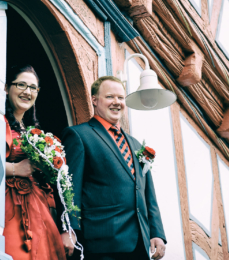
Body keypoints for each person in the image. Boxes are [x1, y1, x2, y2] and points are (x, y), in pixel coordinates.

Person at [61, 76, 166, 260]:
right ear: (94, 100)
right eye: (110, 97)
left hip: (139, 244)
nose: (117, 102)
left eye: (121, 98)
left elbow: (148, 194)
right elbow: (70, 188)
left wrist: (157, 232)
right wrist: (69, 229)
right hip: (102, 242)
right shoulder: (79, 135)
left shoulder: (136, 146)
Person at [3, 65, 66, 260]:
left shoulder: (32, 131)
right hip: (10, 204)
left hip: (38, 205)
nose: (27, 92)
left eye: (33, 88)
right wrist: (16, 168)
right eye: (21, 85)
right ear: (6, 87)